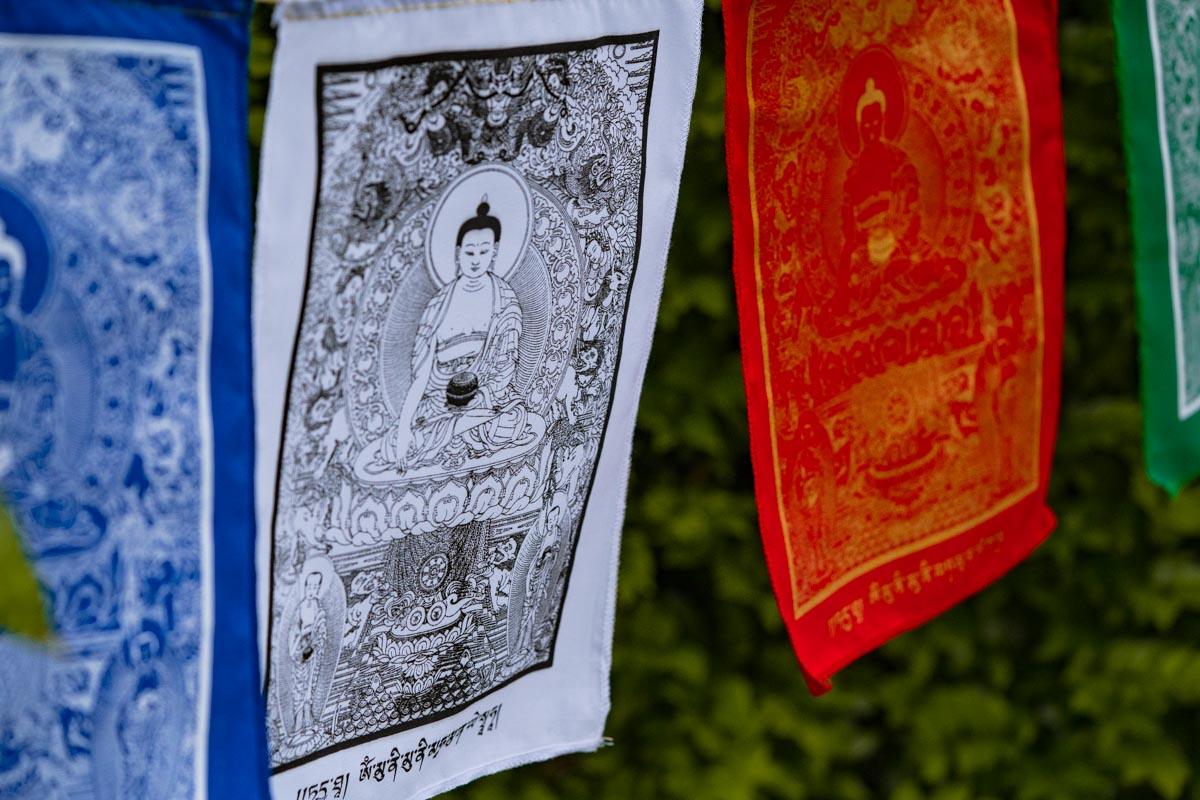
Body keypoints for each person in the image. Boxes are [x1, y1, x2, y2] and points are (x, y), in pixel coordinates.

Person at [376, 198, 533, 472]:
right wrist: (404, 427)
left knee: (510, 421)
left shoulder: (503, 299)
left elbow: (506, 364)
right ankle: (453, 432)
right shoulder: (439, 305)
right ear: (458, 252)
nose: (476, 260)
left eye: (483, 252)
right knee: (394, 444)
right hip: (440, 401)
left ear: (494, 252)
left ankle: (458, 432)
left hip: (487, 399)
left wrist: (482, 397)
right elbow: (422, 377)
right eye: (470, 253)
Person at [288, 572, 327, 732]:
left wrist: (316, 639)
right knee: (299, 687)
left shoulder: (319, 607)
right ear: (305, 587)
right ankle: (297, 723)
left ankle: (308, 718)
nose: (312, 590)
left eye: (315, 587)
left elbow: (322, 629)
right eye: (309, 587)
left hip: (313, 652)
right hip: (300, 652)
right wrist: (301, 638)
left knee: (310, 686)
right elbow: (294, 630)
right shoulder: (300, 607)